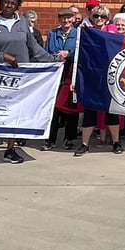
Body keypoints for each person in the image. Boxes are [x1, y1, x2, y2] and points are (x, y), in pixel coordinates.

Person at [0, 0, 69, 169]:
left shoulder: (24, 23)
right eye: (6, 2)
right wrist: (3, 56)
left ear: (18, 6)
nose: (9, 5)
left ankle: (10, 150)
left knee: (13, 113)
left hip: (19, 78)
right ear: (0, 4)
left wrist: (53, 60)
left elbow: (34, 48)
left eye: (13, 3)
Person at [43, 9, 80, 151]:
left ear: (73, 19)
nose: (66, 21)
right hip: (55, 74)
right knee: (53, 108)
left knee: (71, 107)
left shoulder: (78, 34)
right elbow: (47, 51)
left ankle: (69, 139)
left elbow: (81, 52)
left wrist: (68, 54)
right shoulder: (53, 34)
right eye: (63, 18)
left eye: (69, 18)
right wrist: (55, 56)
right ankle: (50, 140)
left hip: (71, 73)